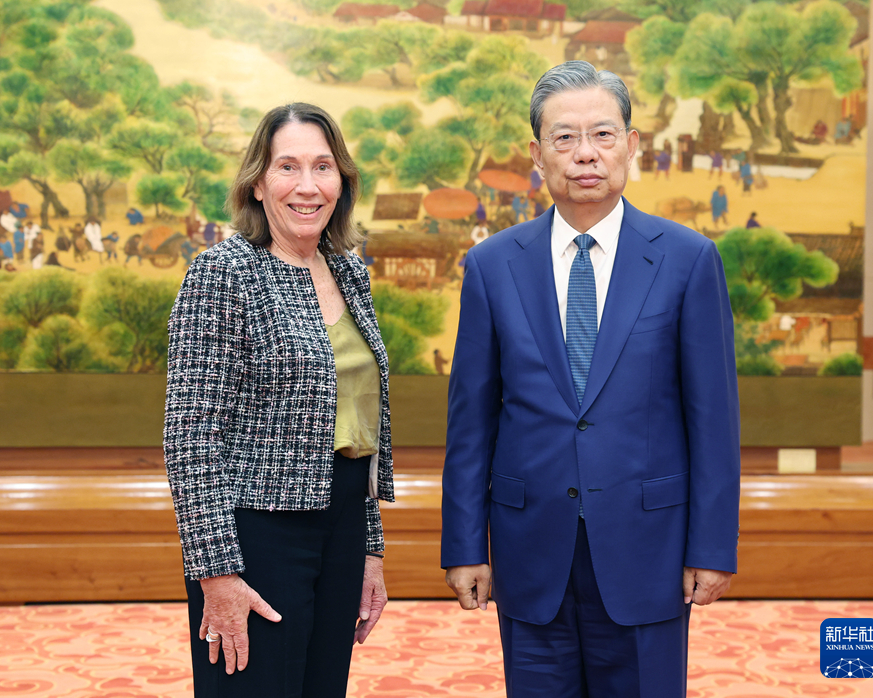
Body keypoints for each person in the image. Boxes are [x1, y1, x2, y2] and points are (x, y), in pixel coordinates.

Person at [442, 62, 740, 698]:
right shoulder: (493, 266)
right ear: (537, 154)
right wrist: (464, 545)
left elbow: (713, 420)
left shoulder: (688, 259)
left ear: (631, 145)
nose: (585, 154)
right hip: (530, 550)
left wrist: (712, 547)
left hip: (648, 550)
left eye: (603, 135)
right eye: (565, 137)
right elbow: (472, 421)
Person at [165, 102, 395, 698]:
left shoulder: (349, 273)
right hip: (256, 537)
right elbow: (190, 435)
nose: (307, 185)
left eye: (323, 167)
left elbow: (357, 430)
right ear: (257, 183)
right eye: (287, 166)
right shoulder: (222, 273)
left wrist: (369, 551)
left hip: (343, 526)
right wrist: (217, 573)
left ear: (342, 181)